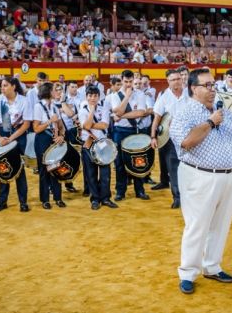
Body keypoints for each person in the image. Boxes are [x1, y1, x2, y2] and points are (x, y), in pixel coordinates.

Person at [170, 68, 232, 295]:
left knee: (220, 225)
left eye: (214, 85)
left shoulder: (221, 108)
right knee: (197, 226)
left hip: (229, 175)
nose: (213, 89)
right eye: (208, 85)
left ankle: (212, 266)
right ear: (194, 88)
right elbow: (186, 142)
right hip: (199, 175)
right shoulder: (184, 112)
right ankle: (188, 272)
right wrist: (210, 122)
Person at [0, 77, 33, 212]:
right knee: (2, 167)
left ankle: (23, 202)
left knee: (18, 168)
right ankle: (2, 201)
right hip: (2, 135)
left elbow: (26, 124)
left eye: (5, 85)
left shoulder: (24, 101)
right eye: (1, 86)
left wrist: (11, 138)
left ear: (13, 86)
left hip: (18, 135)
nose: (2, 88)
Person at [151, 68, 189, 208]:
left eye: (178, 79)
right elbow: (157, 119)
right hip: (171, 139)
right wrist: (153, 136)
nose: (176, 82)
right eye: (173, 80)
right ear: (168, 81)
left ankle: (191, 195)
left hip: (190, 136)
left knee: (191, 167)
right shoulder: (164, 97)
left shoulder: (190, 93)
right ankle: (177, 197)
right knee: (173, 169)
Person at [111, 69, 150, 201]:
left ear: (134, 80)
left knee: (138, 160)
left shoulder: (140, 94)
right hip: (119, 131)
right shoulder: (114, 95)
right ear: (121, 80)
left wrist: (121, 115)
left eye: (130, 81)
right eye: (126, 81)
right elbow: (118, 109)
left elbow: (140, 113)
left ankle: (140, 190)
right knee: (119, 162)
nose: (128, 84)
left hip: (135, 130)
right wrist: (127, 97)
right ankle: (120, 191)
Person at [79, 85, 118, 210]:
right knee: (91, 173)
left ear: (98, 96)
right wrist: (91, 111)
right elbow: (85, 126)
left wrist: (90, 124)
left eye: (95, 96)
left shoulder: (103, 107)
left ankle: (105, 198)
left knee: (105, 173)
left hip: (103, 144)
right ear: (86, 96)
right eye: (90, 96)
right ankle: (95, 199)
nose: (93, 98)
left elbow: (105, 124)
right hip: (88, 144)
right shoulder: (82, 109)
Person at [32, 82, 67, 209]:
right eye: (54, 90)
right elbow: (36, 128)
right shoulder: (38, 106)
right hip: (42, 139)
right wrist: (49, 121)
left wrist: (61, 136)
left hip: (54, 139)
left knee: (56, 168)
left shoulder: (55, 107)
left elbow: (62, 127)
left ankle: (58, 197)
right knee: (43, 170)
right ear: (48, 91)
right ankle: (45, 200)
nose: (56, 92)